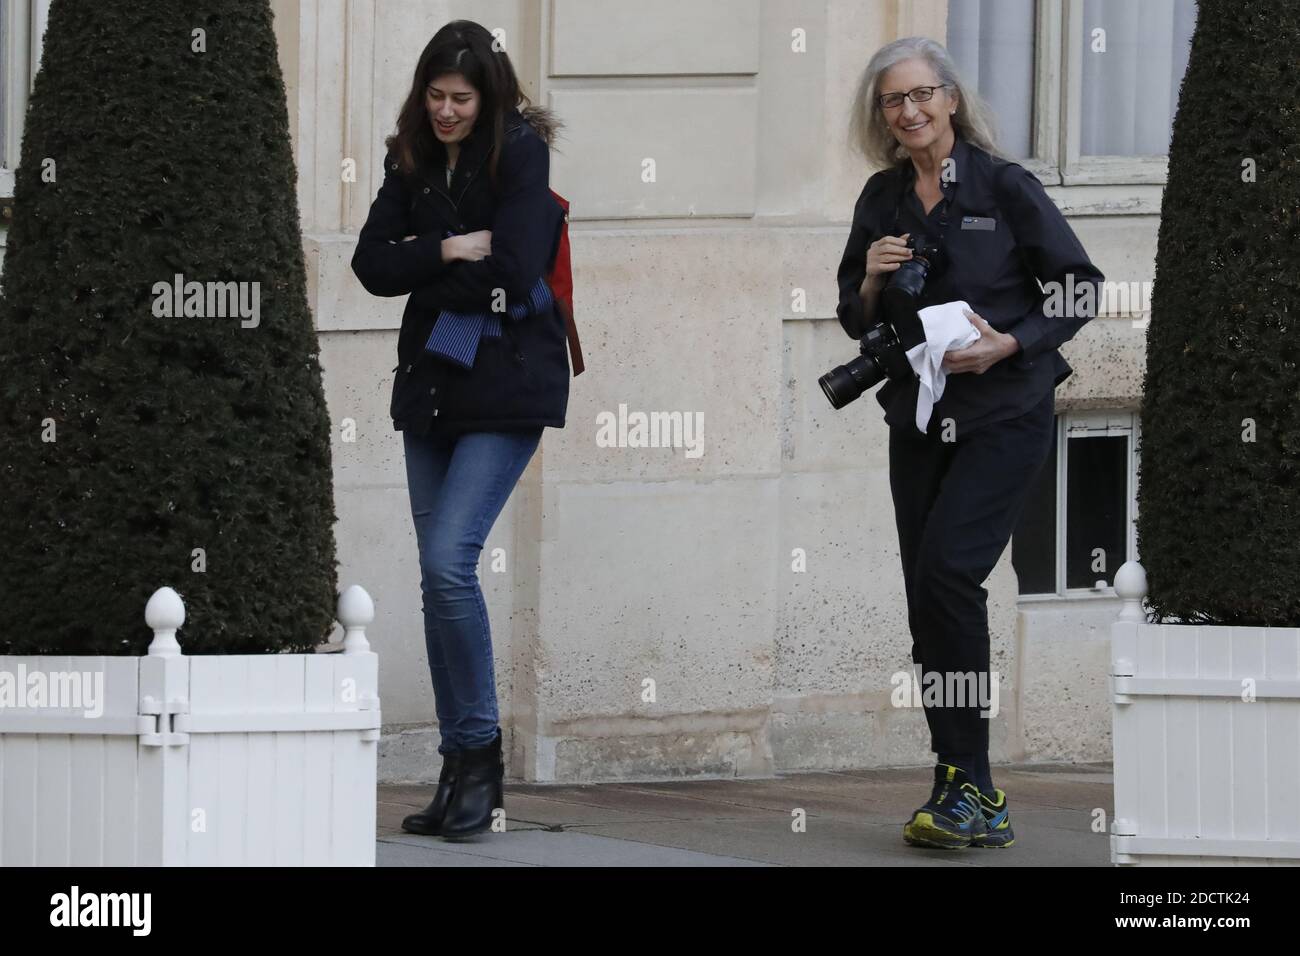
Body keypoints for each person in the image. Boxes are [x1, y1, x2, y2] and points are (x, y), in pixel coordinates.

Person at [836, 36, 1104, 849]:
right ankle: (962, 781)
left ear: (951, 99)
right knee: (930, 591)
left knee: (951, 571)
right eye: (894, 100)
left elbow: (1078, 286)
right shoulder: (882, 198)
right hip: (919, 416)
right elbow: (854, 313)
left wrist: (1009, 344)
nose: (910, 111)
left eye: (923, 95)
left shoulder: (1005, 185)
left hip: (1004, 412)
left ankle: (970, 785)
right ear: (881, 115)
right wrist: (875, 280)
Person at [350, 20, 568, 838]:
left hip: (508, 382)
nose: (447, 112)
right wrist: (446, 249)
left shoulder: (519, 153)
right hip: (433, 386)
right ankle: (458, 770)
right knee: (435, 578)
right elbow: (372, 265)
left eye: (462, 99)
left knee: (449, 563)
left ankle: (480, 758)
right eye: (436, 97)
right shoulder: (409, 155)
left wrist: (428, 265)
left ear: (490, 95)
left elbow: (513, 270)